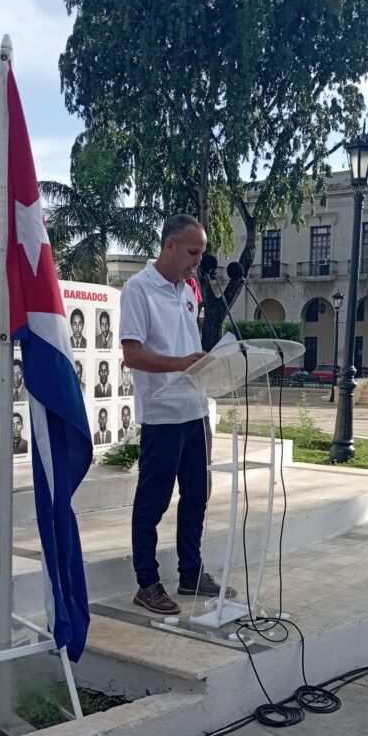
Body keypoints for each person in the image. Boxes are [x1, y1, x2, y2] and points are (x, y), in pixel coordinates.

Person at [120, 212, 232, 615]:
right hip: (163, 413)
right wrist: (182, 363)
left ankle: (190, 572)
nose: (198, 260)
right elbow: (132, 354)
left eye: (201, 252)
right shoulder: (138, 289)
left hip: (196, 409)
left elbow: (189, 346)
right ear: (169, 245)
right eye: (192, 251)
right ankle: (146, 583)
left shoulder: (188, 289)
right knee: (153, 501)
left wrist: (209, 365)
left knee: (197, 496)